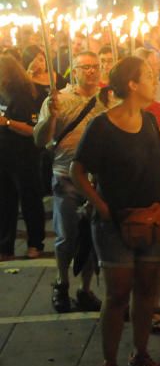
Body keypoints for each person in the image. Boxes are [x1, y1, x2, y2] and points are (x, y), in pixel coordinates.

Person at [71, 57, 160, 366]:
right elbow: (78, 171)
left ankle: (140, 353)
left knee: (146, 293)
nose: (155, 80)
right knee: (117, 296)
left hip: (153, 221)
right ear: (131, 84)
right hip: (116, 225)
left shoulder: (150, 121)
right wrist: (101, 207)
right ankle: (109, 363)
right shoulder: (102, 126)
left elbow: (158, 167)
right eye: (148, 76)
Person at [33, 51, 107, 312]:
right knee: (67, 237)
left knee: (91, 238)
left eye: (95, 66)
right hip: (66, 177)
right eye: (85, 67)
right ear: (73, 71)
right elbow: (40, 139)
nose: (91, 71)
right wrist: (52, 116)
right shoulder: (59, 100)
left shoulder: (106, 101)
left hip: (96, 182)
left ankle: (85, 289)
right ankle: (61, 282)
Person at [0, 55, 45, 261]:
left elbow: (31, 129)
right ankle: (5, 246)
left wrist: (7, 122)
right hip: (4, 157)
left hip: (24, 157)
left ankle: (35, 243)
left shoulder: (22, 96)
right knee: (5, 202)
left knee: (30, 200)